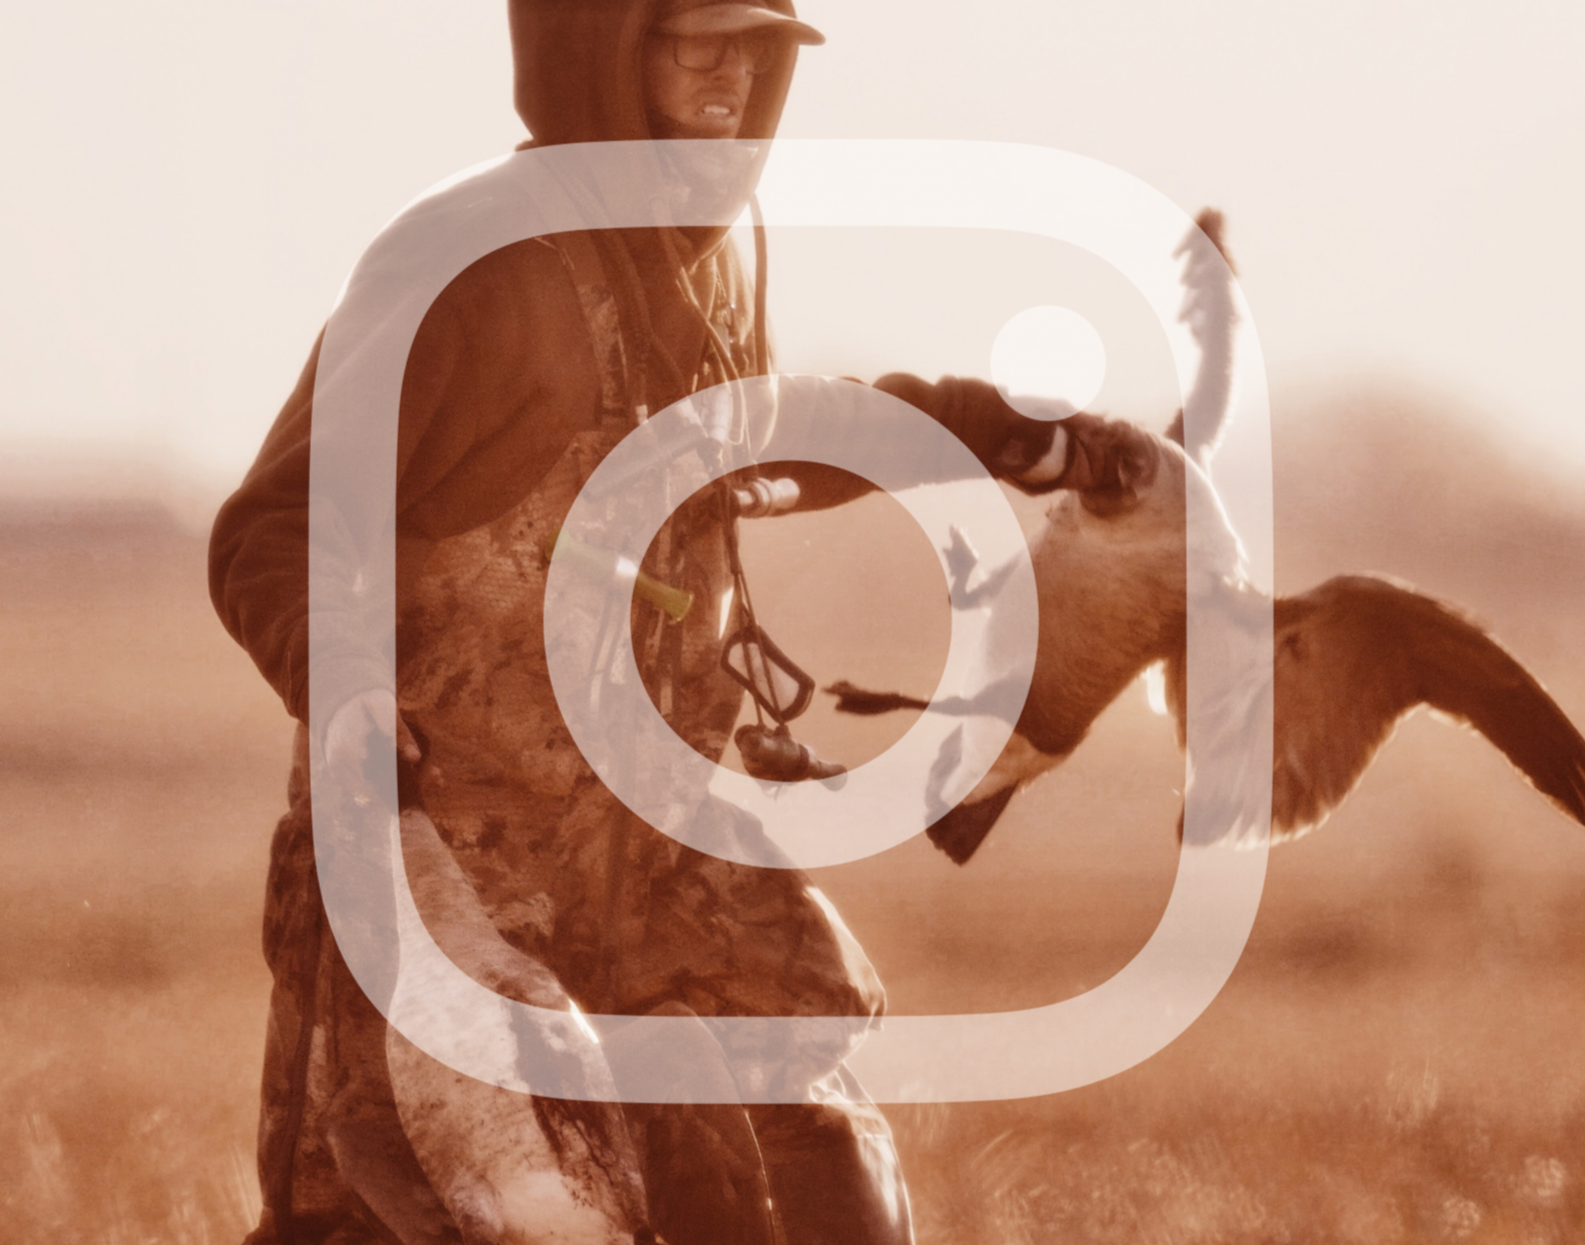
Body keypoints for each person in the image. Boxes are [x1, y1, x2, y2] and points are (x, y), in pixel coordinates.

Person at [212, 2, 1119, 1241]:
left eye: (758, 46)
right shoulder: (461, 267)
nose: (731, 76)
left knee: (821, 1174)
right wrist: (347, 691)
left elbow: (770, 439)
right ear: (594, 42)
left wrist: (999, 430)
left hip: (677, 868)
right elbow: (272, 529)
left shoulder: (710, 258)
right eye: (693, 34)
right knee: (415, 1213)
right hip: (461, 882)